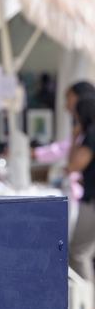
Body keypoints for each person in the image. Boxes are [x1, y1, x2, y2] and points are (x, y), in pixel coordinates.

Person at [66, 96, 95, 282]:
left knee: (78, 253)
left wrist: (76, 136)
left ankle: (86, 304)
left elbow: (73, 165)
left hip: (92, 201)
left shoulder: (91, 135)